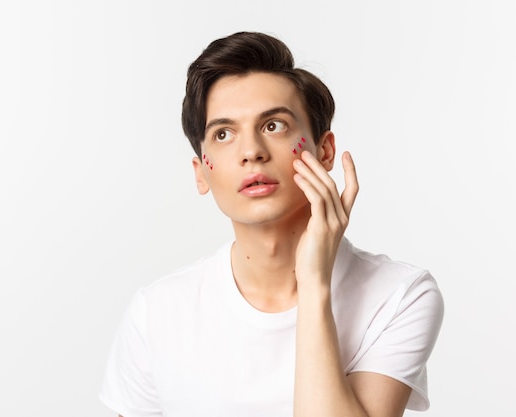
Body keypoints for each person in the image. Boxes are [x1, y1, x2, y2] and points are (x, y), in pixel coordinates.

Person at [100, 31, 444, 417]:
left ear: (324, 150)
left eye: (273, 126)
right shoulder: (157, 313)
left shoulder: (398, 296)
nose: (251, 152)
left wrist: (314, 284)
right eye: (224, 134)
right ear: (201, 173)